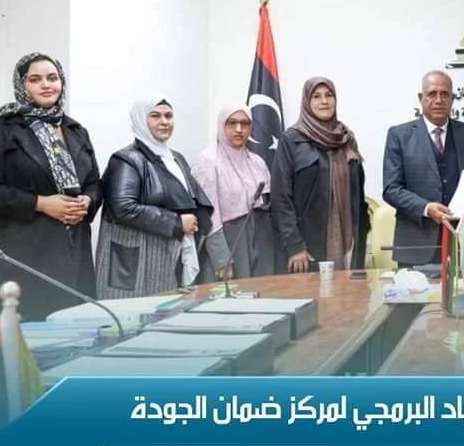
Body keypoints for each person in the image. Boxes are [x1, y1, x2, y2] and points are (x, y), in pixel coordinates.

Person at [0, 53, 101, 336]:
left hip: (71, 252)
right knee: (24, 342)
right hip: (19, 255)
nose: (46, 85)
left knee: (70, 336)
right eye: (35, 79)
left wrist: (88, 200)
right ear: (22, 85)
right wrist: (41, 203)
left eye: (53, 78)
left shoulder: (75, 130)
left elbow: (94, 182)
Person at [95, 97, 229, 298]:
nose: (164, 122)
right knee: (135, 314)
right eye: (155, 116)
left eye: (168, 116)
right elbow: (123, 208)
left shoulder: (176, 158)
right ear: (140, 120)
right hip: (136, 262)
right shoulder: (126, 159)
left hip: (168, 256)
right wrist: (176, 222)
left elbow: (192, 199)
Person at [382, 70, 464, 267]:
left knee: (463, 289)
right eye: (432, 94)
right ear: (421, 98)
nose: (438, 100)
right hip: (415, 245)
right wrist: (426, 208)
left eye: (444, 94)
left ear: (453, 99)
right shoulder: (399, 135)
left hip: (461, 244)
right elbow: (391, 189)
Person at [271, 77, 369, 273]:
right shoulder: (291, 139)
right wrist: (295, 245)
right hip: (307, 247)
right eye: (316, 96)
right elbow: (280, 197)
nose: (324, 101)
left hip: (350, 243)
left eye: (329, 95)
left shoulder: (347, 138)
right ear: (307, 102)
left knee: (348, 292)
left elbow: (358, 194)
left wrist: (362, 237)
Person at [191, 104, 275, 280]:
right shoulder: (208, 161)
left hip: (261, 240)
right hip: (228, 241)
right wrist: (221, 257)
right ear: (222, 125)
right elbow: (208, 214)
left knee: (262, 290)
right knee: (231, 292)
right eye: (232, 123)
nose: (239, 129)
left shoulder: (257, 162)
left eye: (245, 124)